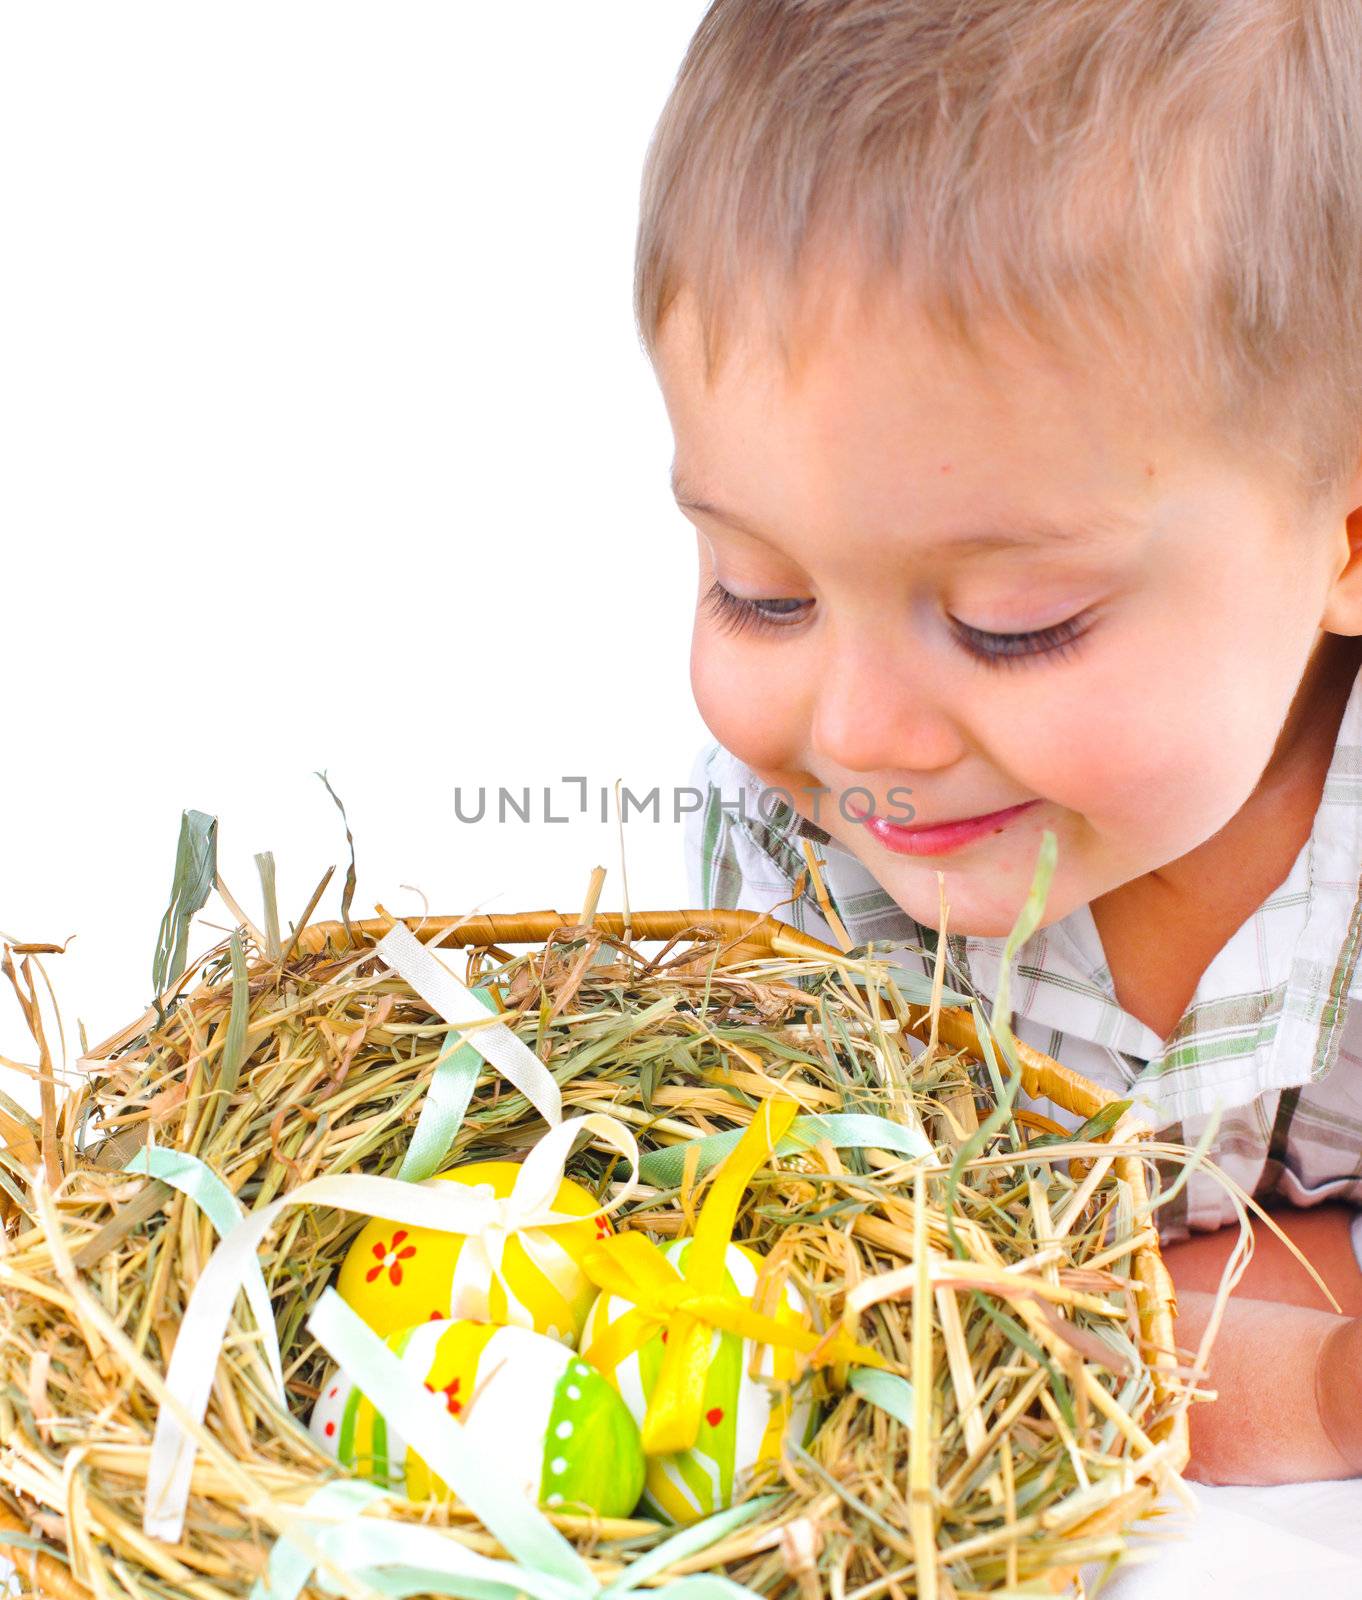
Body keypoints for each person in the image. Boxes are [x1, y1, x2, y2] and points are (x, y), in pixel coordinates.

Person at [634, 0, 1362, 1485]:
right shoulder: (791, 870)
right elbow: (803, 1303)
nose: (853, 732)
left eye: (1012, 621)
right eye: (759, 595)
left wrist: (1313, 1395)